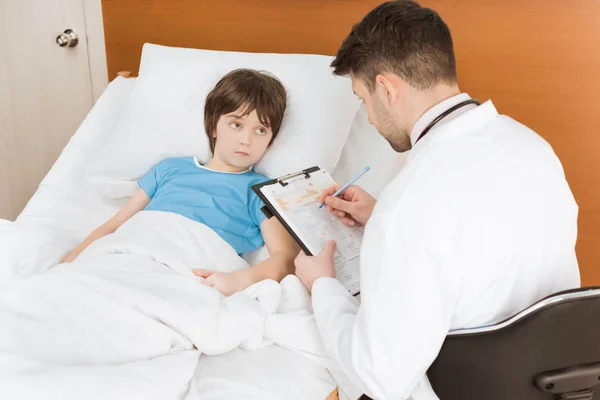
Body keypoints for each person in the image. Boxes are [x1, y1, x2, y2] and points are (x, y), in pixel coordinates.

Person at [294, 1, 580, 399]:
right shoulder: (533, 147)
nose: (371, 119)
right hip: (551, 381)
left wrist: (323, 285)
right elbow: (486, 237)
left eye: (363, 99)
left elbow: (380, 379)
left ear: (388, 88)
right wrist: (380, 216)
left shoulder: (411, 200)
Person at [63, 68, 299, 296]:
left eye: (260, 130)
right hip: (134, 251)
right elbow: (115, 226)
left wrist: (238, 280)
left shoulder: (262, 190)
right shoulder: (170, 169)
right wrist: (69, 265)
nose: (246, 140)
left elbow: (285, 258)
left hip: (190, 269)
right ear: (214, 124)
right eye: (236, 125)